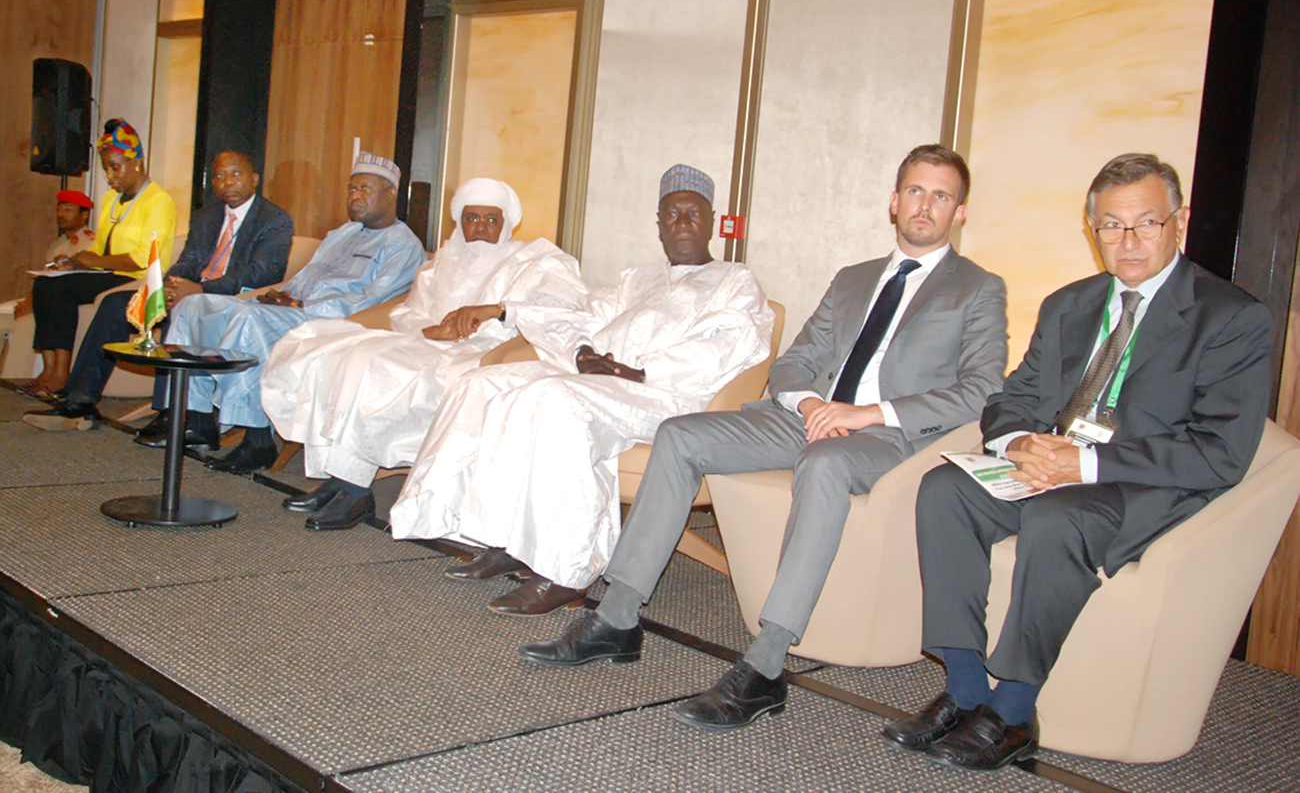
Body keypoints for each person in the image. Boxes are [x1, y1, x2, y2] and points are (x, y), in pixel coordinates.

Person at [522, 145, 1010, 732]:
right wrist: (808, 403)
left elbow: (982, 390)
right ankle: (618, 618)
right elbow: (793, 362)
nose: (924, 205)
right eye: (914, 191)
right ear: (893, 201)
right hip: (807, 415)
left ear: (959, 212)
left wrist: (868, 414)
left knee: (826, 464)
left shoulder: (977, 288)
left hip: (886, 437)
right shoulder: (854, 279)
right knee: (680, 436)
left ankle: (766, 664)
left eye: (941, 195)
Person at [883, 153, 1272, 772]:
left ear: (1180, 222)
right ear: (1092, 229)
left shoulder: (1231, 318)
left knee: (1057, 518)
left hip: (1139, 483)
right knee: (943, 490)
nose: (1129, 241)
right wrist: (1018, 445)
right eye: (1111, 226)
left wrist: (1084, 464)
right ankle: (962, 688)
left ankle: (1012, 711)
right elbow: (1013, 398)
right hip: (1053, 468)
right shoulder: (1071, 303)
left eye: (1146, 223)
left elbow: (1219, 451)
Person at [388, 164, 775, 615]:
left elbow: (731, 346)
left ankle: (565, 571)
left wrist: (639, 370)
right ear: (658, 224)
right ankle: (500, 537)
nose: (683, 224)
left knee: (555, 401)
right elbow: (583, 318)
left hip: (668, 394)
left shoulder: (735, 281)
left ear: (711, 221)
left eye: (693, 214)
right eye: (671, 214)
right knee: (481, 383)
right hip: (602, 380)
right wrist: (578, 351)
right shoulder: (637, 278)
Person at [261, 177, 588, 531]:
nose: (480, 227)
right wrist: (436, 331)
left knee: (381, 370)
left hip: (486, 351)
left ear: (507, 222)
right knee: (345, 357)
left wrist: (496, 309)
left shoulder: (534, 260)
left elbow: (566, 310)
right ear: (459, 221)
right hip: (427, 342)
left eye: (491, 220)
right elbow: (409, 312)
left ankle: (355, 491)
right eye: (471, 218)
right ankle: (341, 479)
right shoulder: (443, 260)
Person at [162, 152, 425, 473]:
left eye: (365, 189)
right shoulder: (342, 233)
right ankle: (200, 419)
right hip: (292, 307)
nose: (354, 197)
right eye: (351, 189)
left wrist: (300, 305)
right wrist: (282, 295)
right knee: (194, 305)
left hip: (331, 321)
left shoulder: (403, 245)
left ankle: (257, 439)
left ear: (391, 194)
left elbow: (371, 301)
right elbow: (306, 277)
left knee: (248, 320)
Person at [22, 151, 293, 432]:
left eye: (236, 174)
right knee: (115, 305)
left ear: (254, 179)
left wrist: (199, 290)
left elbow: (262, 273)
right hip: (190, 292)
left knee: (182, 312)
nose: (228, 182)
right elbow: (189, 260)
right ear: (213, 182)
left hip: (230, 300)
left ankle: (169, 413)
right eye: (221, 176)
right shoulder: (206, 216)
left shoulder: (274, 220)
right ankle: (80, 402)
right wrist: (168, 286)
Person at [22, 119, 176, 398]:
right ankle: (48, 369)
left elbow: (144, 258)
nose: (109, 174)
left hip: (138, 279)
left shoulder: (158, 201)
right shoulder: (110, 200)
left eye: (114, 167)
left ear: (137, 162)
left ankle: (61, 375)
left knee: (61, 289)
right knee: (46, 284)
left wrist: (91, 261)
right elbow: (102, 251)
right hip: (106, 274)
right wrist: (74, 263)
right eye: (106, 167)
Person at [7, 190, 94, 320]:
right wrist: (27, 303)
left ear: (84, 215)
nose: (60, 215)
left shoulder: (92, 243)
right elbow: (45, 276)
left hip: (71, 302)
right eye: (59, 210)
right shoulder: (58, 244)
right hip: (50, 296)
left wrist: (29, 305)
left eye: (68, 210)